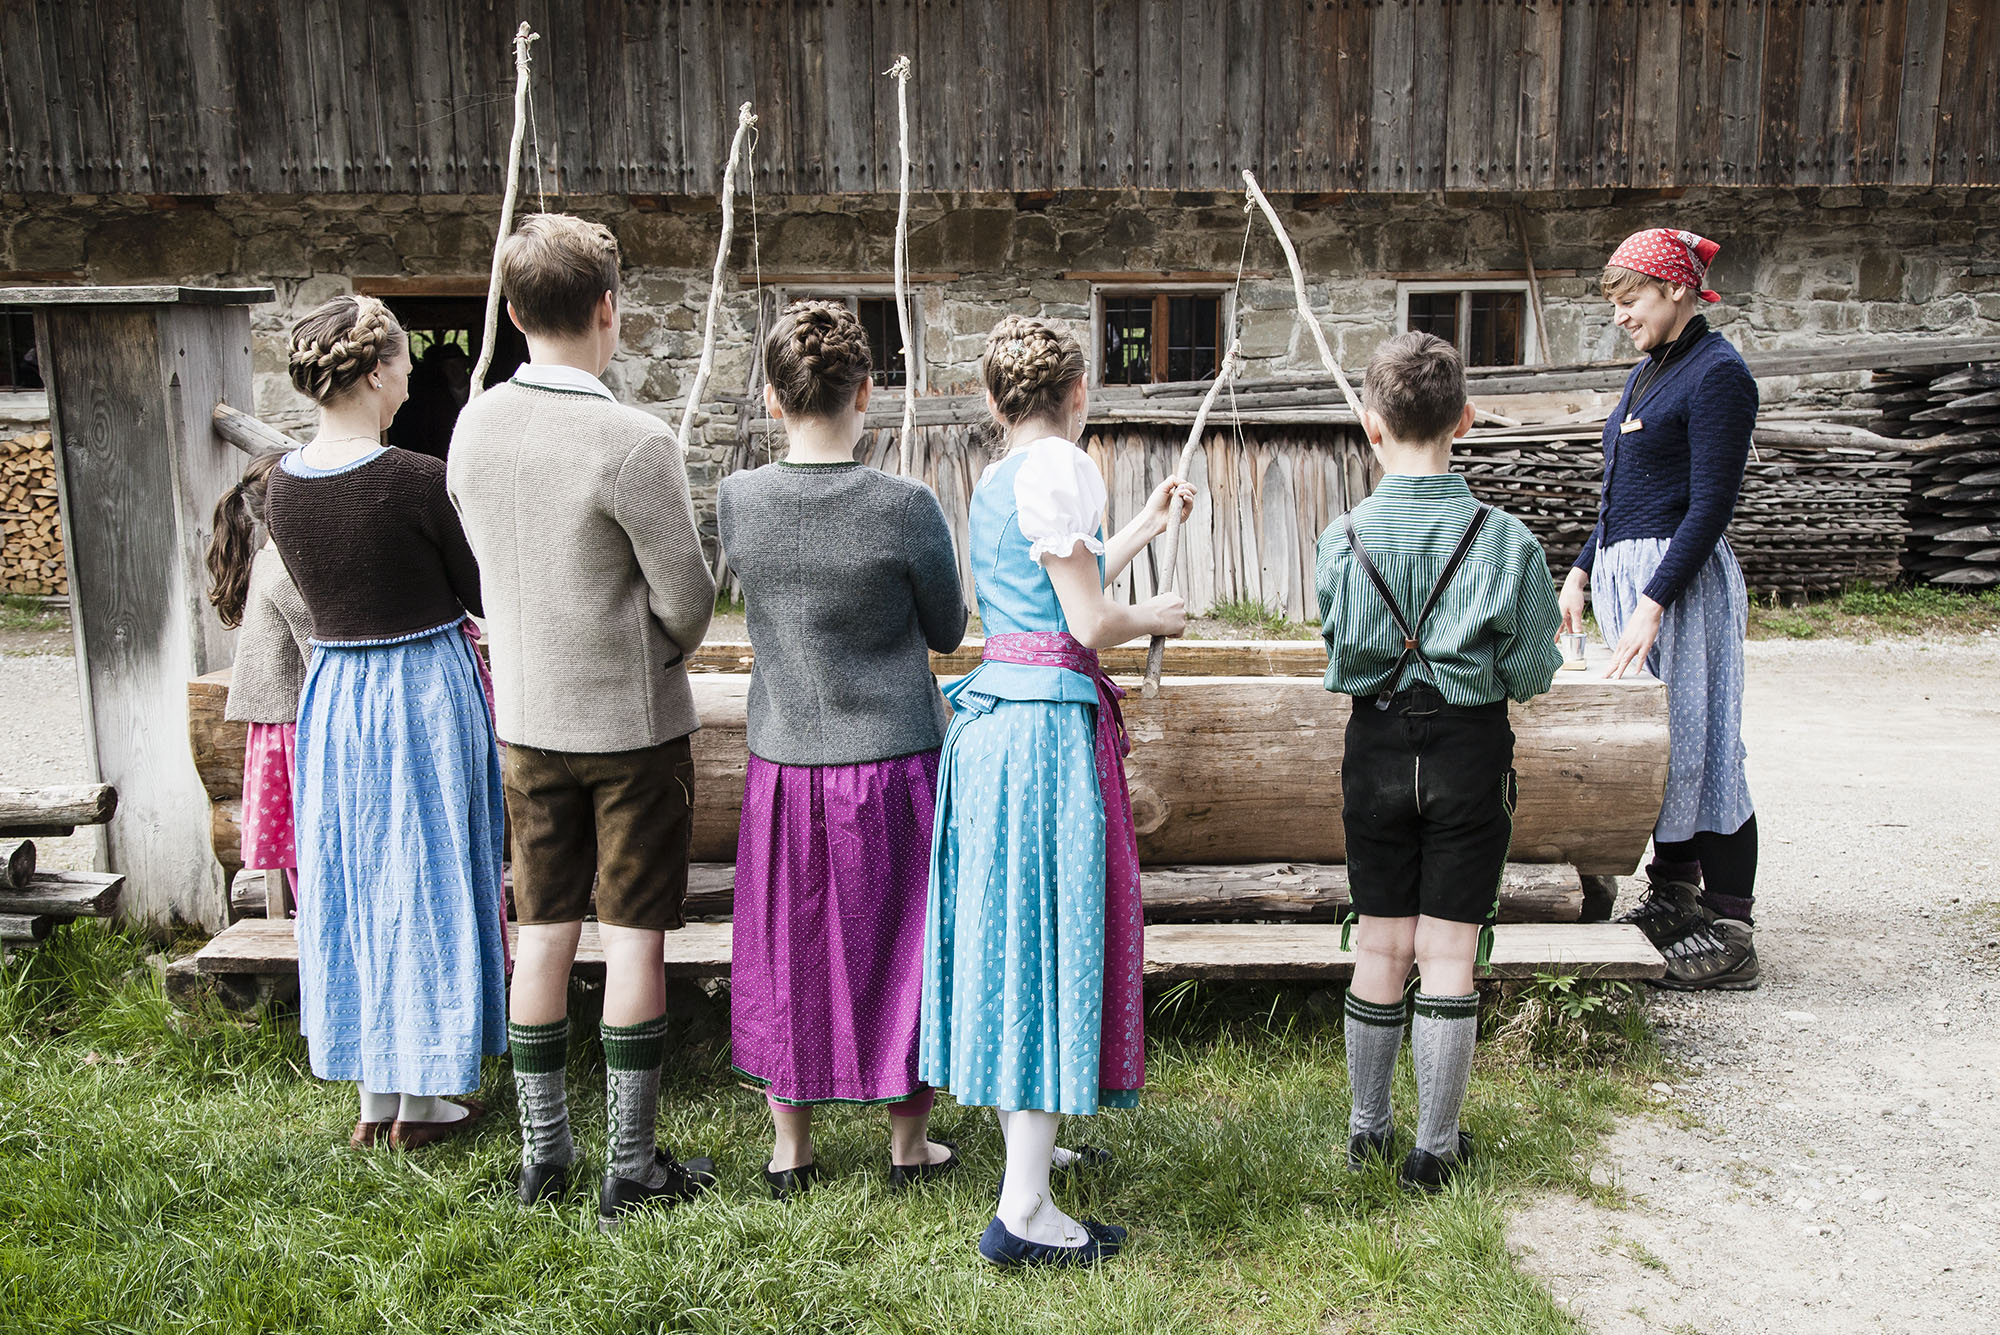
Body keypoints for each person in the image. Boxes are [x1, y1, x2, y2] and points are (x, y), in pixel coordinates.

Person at [446, 213, 718, 1231]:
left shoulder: (472, 425)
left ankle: (541, 1154)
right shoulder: (632, 442)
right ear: (610, 310)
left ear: (514, 315)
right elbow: (688, 601)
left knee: (543, 932)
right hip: (631, 729)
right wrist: (639, 643)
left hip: (524, 718)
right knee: (635, 938)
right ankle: (630, 1165)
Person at [921, 315, 1192, 1268]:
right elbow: (1086, 619)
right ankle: (1025, 1211)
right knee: (1043, 939)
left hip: (995, 724)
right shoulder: (1064, 468)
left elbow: (1051, 587)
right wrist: (1149, 612)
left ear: (996, 404)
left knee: (1012, 935)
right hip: (1043, 738)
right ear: (1079, 395)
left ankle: (1030, 1154)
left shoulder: (999, 477)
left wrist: (1142, 529)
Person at [717, 300, 969, 1198]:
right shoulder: (907, 506)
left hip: (786, 764)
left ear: (777, 400)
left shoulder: (739, 498)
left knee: (790, 945)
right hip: (897, 760)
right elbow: (946, 629)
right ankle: (908, 1145)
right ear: (868, 390)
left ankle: (793, 1149)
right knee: (905, 940)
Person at [1315, 331, 1563, 1192]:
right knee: (1449, 950)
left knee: (1381, 943)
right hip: (1468, 746)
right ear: (1465, 419)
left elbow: (1338, 646)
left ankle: (1365, 1130)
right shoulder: (1508, 540)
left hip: (1375, 744)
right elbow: (1531, 673)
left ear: (1370, 426)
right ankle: (1435, 1148)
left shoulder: (1340, 537)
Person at [262, 294, 507, 1153]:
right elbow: (478, 593)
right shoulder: (414, 478)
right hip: (418, 688)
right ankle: (428, 1096)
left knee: (357, 875)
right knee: (428, 869)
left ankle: (378, 1091)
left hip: (334, 696)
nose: (410, 372)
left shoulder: (279, 489)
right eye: (402, 360)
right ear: (374, 372)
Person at [1559, 229, 1762, 991]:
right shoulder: (1651, 371)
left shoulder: (1719, 374)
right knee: (1660, 745)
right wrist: (1580, 571)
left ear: (1678, 289)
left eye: (1630, 298)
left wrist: (1652, 603)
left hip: (1679, 586)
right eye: (1616, 302)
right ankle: (1674, 896)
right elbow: (1623, 496)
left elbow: (1709, 506)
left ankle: (1732, 927)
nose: (1620, 316)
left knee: (1705, 741)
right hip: (1630, 579)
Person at [207, 451, 312, 917]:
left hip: (280, 725)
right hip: (295, 725)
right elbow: (321, 651)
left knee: (309, 858)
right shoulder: (290, 566)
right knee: (316, 853)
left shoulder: (271, 556)